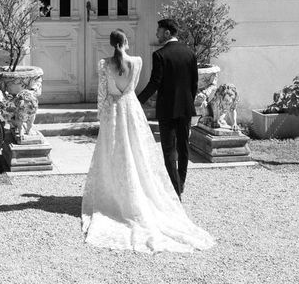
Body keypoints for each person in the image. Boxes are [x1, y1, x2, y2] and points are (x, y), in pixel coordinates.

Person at [81, 29, 214, 253]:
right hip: (131, 109)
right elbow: (134, 89)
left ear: (112, 43)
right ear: (126, 41)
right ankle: (153, 189)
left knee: (113, 152)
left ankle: (116, 192)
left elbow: (102, 94)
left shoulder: (104, 64)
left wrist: (101, 114)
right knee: (138, 151)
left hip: (114, 110)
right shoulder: (138, 61)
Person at [137, 18, 198, 198]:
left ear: (167, 33)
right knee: (183, 146)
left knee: (169, 149)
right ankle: (182, 182)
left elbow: (154, 83)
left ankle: (175, 188)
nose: (156, 34)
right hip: (186, 108)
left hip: (167, 109)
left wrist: (137, 99)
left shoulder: (160, 55)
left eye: (159, 30)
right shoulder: (190, 53)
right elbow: (194, 84)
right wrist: (188, 102)